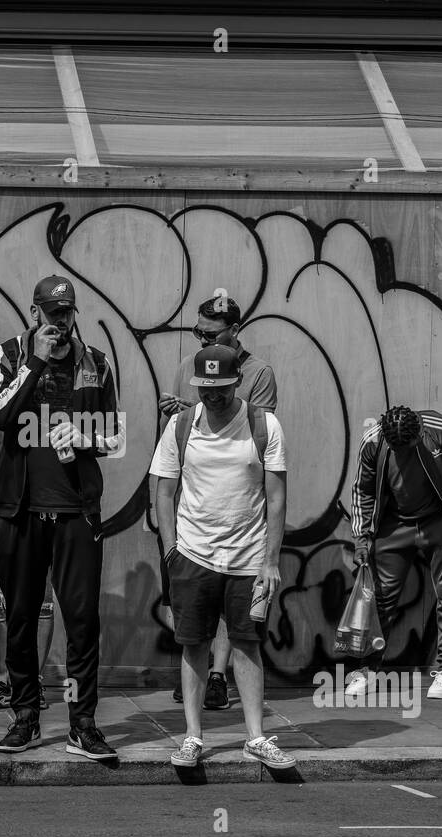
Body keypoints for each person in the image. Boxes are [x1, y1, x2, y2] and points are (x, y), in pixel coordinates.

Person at [0, 275, 123, 759]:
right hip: (19, 509)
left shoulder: (97, 363)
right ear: (35, 311)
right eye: (51, 313)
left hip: (76, 511)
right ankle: (25, 716)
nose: (60, 322)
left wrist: (84, 438)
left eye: (66, 313)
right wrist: (37, 361)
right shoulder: (6, 355)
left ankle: (82, 724)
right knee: (21, 616)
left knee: (82, 619)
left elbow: (116, 436)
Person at [151, 345, 294, 770]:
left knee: (247, 644)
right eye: (204, 388)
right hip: (192, 555)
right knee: (193, 644)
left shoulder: (263, 425)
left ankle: (255, 737)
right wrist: (170, 550)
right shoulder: (180, 425)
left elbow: (277, 496)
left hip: (249, 559)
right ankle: (193, 737)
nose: (211, 396)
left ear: (237, 382)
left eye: (220, 388)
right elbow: (162, 489)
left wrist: (270, 560)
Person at [157, 295, 278, 710]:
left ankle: (217, 675)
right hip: (194, 505)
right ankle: (197, 673)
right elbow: (175, 442)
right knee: (191, 601)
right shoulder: (188, 366)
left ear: (235, 330)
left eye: (210, 333)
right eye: (198, 333)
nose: (203, 340)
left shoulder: (259, 372)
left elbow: (248, 423)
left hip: (241, 508)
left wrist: (192, 405)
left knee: (235, 613)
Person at [348, 406, 442, 699]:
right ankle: (367, 670)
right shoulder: (373, 442)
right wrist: (362, 538)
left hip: (439, 520)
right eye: (399, 448)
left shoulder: (440, 429)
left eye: (411, 444)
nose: (405, 451)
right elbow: (363, 490)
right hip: (394, 524)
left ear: (419, 432)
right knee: (380, 598)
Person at [0, 449, 53, 712]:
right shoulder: (1, 419)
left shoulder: (51, 416)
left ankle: (33, 682)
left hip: (45, 511)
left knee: (42, 602)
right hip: (4, 513)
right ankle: (1, 680)